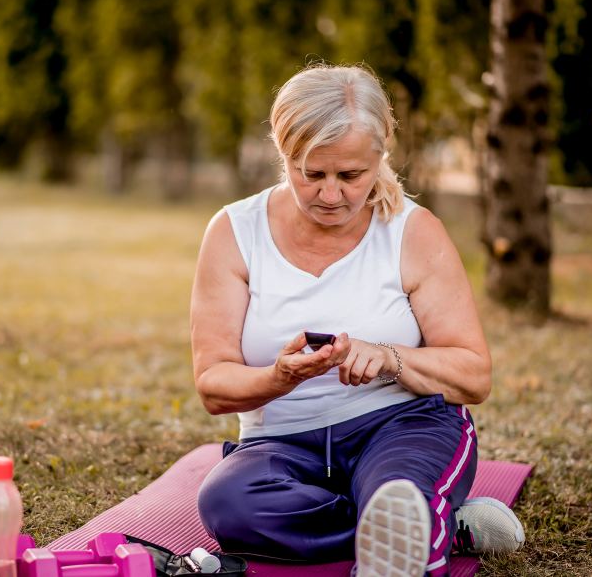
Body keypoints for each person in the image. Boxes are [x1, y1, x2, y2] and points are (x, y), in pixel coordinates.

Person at [189, 64, 525, 577]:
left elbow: (474, 375)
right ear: (284, 155)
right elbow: (213, 385)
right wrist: (278, 379)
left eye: (351, 176)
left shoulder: (414, 232)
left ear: (380, 157)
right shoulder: (234, 231)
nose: (331, 194)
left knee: (399, 489)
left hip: (401, 426)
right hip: (281, 442)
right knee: (228, 503)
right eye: (312, 173)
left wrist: (391, 357)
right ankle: (438, 526)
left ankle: (404, 521)